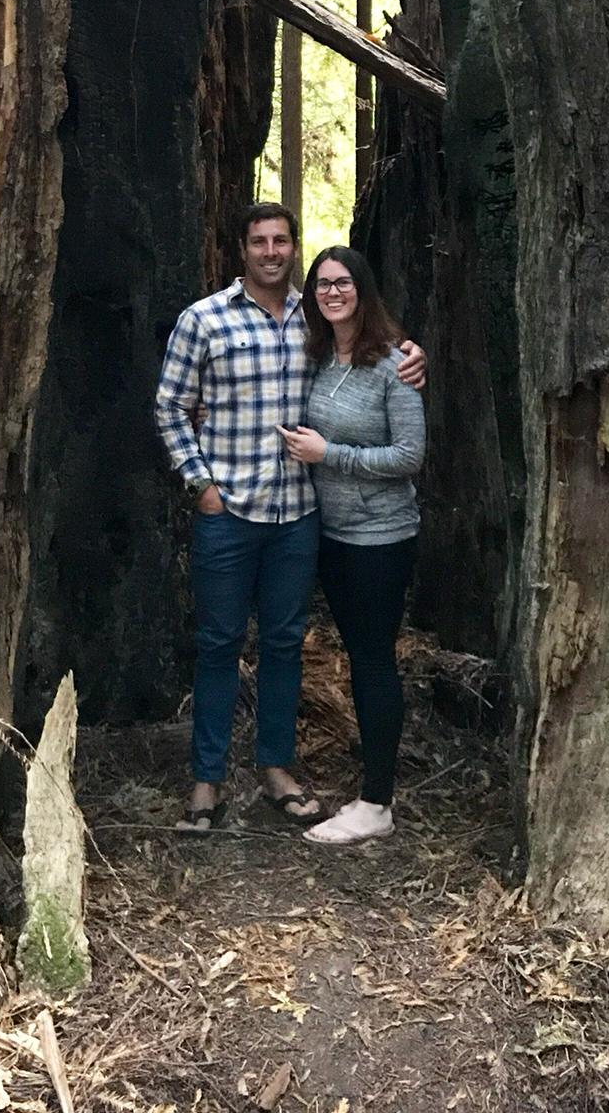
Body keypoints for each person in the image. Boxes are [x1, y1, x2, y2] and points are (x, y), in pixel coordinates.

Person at [155, 203, 425, 833]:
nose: (271, 251)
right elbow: (171, 406)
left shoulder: (314, 318)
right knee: (220, 644)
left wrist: (414, 354)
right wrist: (200, 485)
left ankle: (277, 768)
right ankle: (206, 780)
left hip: (298, 515)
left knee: (282, 646)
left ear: (292, 247)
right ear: (242, 249)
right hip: (229, 511)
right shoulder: (206, 319)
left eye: (281, 241)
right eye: (259, 241)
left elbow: (376, 348)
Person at [279, 245, 425, 846]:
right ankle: (372, 784)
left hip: (381, 538)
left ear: (362, 290)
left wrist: (328, 455)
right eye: (321, 284)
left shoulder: (394, 366)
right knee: (360, 656)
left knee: (371, 660)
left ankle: (377, 802)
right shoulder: (316, 359)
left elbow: (409, 456)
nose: (331, 292)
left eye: (342, 283)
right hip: (330, 535)